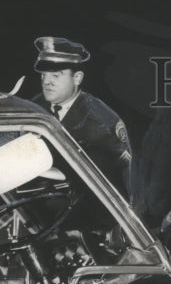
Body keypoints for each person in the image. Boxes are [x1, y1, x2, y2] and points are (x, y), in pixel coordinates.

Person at [32, 36, 133, 199]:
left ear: (77, 78)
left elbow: (123, 180)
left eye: (56, 76)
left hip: (86, 208)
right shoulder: (37, 104)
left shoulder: (102, 122)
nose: (46, 82)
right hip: (39, 199)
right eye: (43, 75)